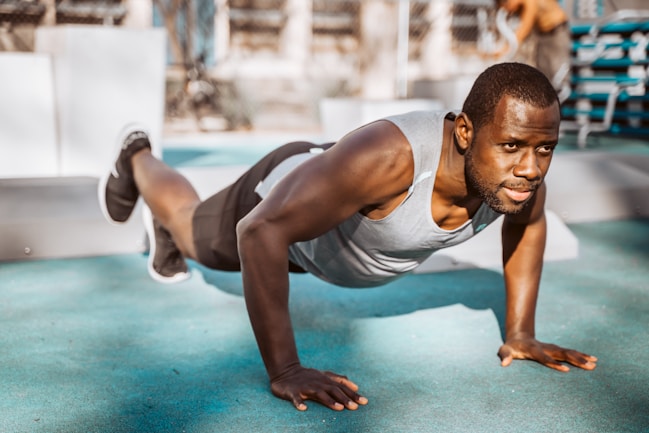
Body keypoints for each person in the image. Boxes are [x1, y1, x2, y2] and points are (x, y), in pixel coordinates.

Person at [99, 62, 597, 412]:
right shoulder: (389, 158)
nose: (531, 167)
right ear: (465, 131)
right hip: (280, 209)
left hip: (322, 245)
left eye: (545, 148)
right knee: (191, 232)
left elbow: (528, 225)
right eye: (511, 145)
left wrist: (520, 333)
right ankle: (138, 155)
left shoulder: (518, 178)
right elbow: (258, 232)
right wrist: (286, 369)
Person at [494, 0, 572, 102]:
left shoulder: (529, 1)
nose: (508, 11)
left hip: (557, 32)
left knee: (558, 74)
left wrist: (506, 49)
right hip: (543, 35)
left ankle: (559, 106)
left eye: (506, 7)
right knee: (543, 76)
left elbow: (525, 26)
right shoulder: (522, 7)